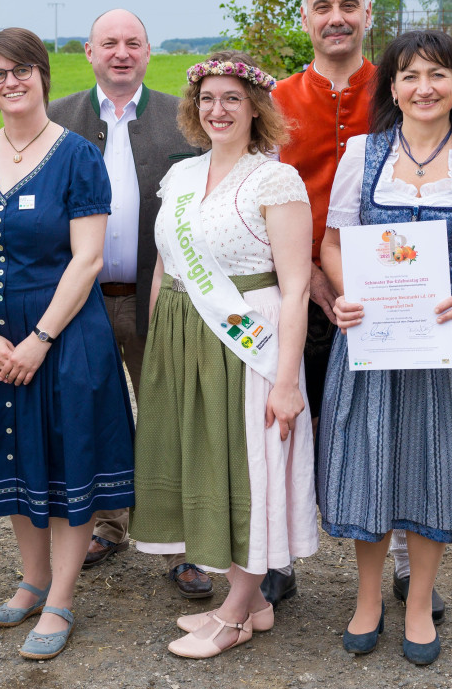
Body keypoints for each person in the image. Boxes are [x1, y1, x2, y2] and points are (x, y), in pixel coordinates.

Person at [316, 30, 452, 664]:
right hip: (375, 335)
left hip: (451, 331)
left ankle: (418, 603)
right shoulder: (364, 152)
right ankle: (367, 598)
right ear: (393, 89)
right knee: (370, 460)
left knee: (432, 465)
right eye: (409, 76)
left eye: (438, 75)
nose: (424, 88)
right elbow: (332, 244)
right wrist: (348, 295)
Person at [272, 0, 452, 617]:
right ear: (305, 17)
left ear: (367, 14)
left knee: (403, 422)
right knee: (289, 422)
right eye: (322, 5)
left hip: (393, 294)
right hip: (301, 288)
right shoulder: (276, 100)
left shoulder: (404, 86)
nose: (336, 17)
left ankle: (410, 564)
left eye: (348, 5)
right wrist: (317, 282)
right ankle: (278, 551)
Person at [0, 28, 135, 661]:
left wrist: (39, 338)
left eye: (22, 70)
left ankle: (61, 599)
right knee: (16, 457)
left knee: (63, 456)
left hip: (64, 332)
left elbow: (87, 260)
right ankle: (32, 579)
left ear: (43, 76)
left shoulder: (78, 156)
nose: (10, 82)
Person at [130, 52, 319, 659]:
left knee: (247, 468)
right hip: (185, 337)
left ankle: (236, 613)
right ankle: (255, 603)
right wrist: (162, 344)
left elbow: (294, 287)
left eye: (232, 98)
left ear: (255, 107)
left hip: (248, 344)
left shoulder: (275, 180)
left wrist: (286, 382)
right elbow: (166, 262)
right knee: (208, 465)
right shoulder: (181, 177)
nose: (218, 109)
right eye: (207, 98)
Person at [47, 8, 212, 600]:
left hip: (160, 300)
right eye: (108, 43)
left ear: (148, 51)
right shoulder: (57, 117)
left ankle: (184, 547)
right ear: (88, 52)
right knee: (89, 415)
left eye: (133, 42)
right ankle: (106, 525)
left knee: (170, 417)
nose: (121, 52)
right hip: (81, 301)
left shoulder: (183, 118)